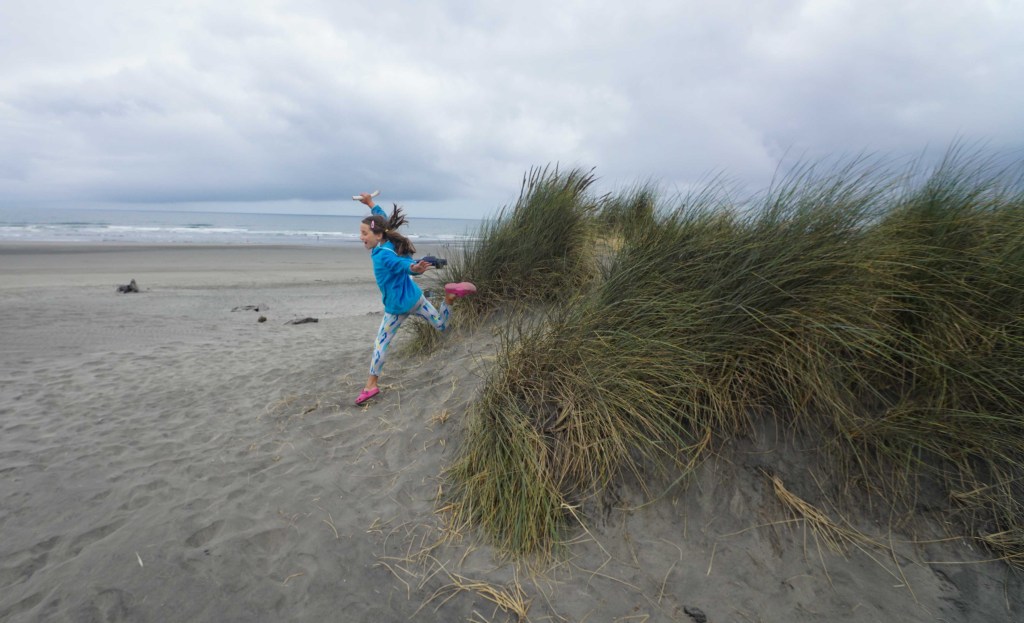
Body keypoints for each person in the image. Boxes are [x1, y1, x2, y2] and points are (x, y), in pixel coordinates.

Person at [354, 192, 476, 405]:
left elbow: (398, 264)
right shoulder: (388, 240)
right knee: (441, 325)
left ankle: (371, 385)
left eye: (364, 233)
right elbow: (383, 219)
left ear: (378, 235)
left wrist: (413, 267)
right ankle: (449, 298)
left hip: (397, 308)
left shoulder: (383, 254)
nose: (361, 237)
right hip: (416, 298)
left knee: (381, 343)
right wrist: (371, 203)